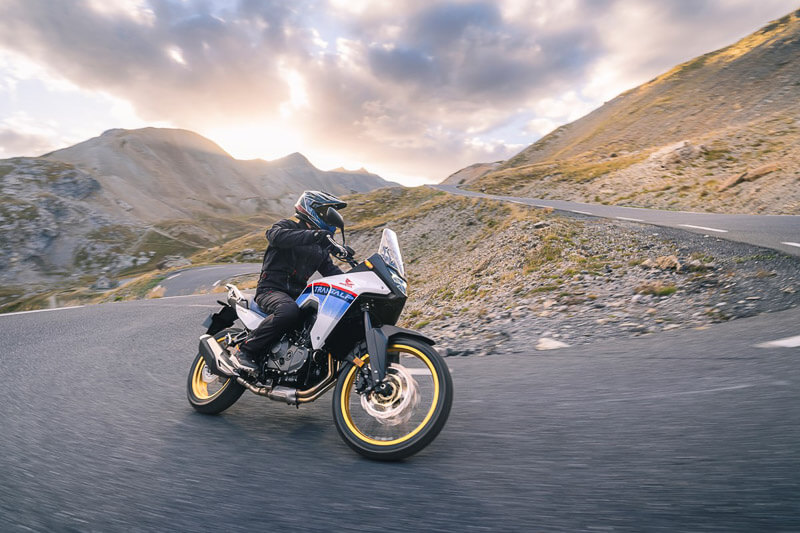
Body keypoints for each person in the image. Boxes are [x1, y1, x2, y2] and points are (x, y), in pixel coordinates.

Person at [229, 190, 347, 371]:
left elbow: (333, 273)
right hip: (270, 290)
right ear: (312, 209)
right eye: (327, 213)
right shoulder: (287, 227)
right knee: (288, 311)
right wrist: (316, 235)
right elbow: (274, 236)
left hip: (298, 296)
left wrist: (357, 278)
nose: (331, 219)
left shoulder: (320, 250)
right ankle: (245, 351)